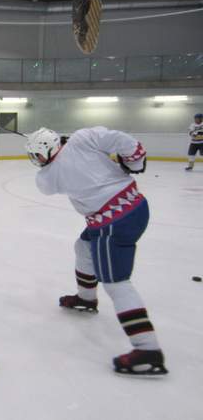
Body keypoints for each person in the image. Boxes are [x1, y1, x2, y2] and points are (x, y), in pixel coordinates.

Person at [25, 126, 167, 376]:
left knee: (117, 284)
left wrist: (61, 156)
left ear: (49, 148)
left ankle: (148, 349)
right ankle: (86, 298)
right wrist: (134, 164)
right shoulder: (84, 137)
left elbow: (46, 185)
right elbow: (125, 140)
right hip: (135, 206)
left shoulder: (48, 176)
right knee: (83, 247)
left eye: (36, 155)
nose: (35, 161)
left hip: (112, 223)